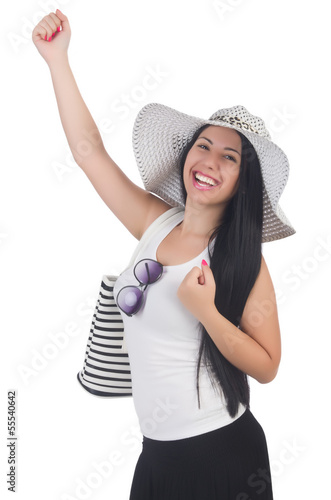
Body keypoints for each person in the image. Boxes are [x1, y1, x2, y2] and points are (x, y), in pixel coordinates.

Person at [32, 10, 295, 500]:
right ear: (187, 155)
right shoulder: (155, 222)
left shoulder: (241, 259)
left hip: (223, 452)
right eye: (204, 146)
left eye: (229, 157)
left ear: (243, 183)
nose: (210, 162)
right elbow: (90, 155)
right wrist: (57, 60)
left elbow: (267, 366)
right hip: (157, 455)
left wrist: (208, 314)